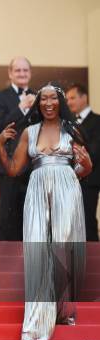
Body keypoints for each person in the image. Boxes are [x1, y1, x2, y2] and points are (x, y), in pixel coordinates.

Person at [0, 84, 90, 340]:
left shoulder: (72, 131)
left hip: (67, 190)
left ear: (60, 101)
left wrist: (88, 165)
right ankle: (36, 323)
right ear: (38, 104)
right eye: (43, 99)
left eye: (53, 98)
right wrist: (1, 146)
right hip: (37, 192)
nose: (48, 102)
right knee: (39, 251)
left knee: (62, 249)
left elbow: (83, 169)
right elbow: (14, 170)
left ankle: (62, 307)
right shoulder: (29, 132)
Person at [0, 57, 35, 241]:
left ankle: (29, 263)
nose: (22, 73)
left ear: (30, 73)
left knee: (30, 216)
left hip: (32, 167)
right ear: (10, 73)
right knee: (7, 217)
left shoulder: (39, 96)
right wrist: (20, 107)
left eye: (25, 70)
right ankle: (4, 265)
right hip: (7, 165)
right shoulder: (1, 97)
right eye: (18, 70)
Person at [66, 83, 100, 241]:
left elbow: (94, 151)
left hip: (89, 181)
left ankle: (94, 263)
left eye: (72, 98)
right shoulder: (67, 124)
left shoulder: (97, 121)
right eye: (67, 99)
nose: (68, 102)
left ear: (84, 97)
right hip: (69, 181)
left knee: (88, 221)